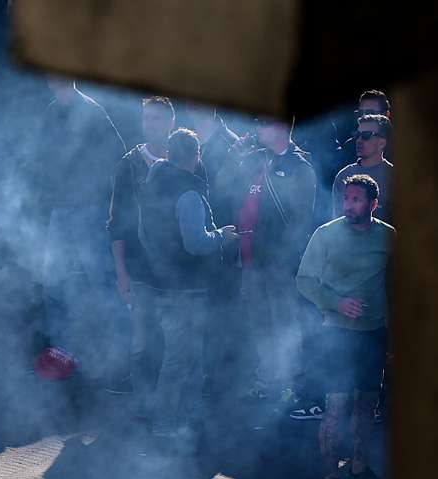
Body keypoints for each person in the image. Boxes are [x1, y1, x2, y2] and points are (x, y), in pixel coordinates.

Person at [296, 174, 395, 479]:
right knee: (336, 406)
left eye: (356, 199)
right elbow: (304, 281)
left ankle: (359, 469)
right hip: (336, 333)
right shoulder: (326, 234)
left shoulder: (387, 236)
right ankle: (331, 476)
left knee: (367, 404)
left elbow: (397, 284)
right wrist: (336, 302)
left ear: (372, 204)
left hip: (373, 333)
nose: (349, 204)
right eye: (346, 199)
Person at [136, 128, 238, 442]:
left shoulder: (152, 184)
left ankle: (184, 421)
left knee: (172, 354)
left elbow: (142, 233)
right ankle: (167, 425)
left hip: (159, 283)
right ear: (197, 156)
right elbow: (195, 243)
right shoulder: (190, 193)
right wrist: (223, 235)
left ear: (168, 154)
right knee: (182, 358)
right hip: (186, 287)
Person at [216, 116, 316, 405]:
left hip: (277, 264)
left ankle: (288, 382)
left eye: (264, 123)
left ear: (283, 127)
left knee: (284, 323)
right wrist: (232, 156)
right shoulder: (253, 158)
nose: (257, 128)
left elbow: (300, 222)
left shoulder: (299, 167)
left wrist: (282, 259)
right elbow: (223, 188)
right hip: (249, 258)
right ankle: (266, 378)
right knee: (258, 321)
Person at [39, 78, 127, 391]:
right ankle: (62, 354)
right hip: (61, 210)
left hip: (89, 210)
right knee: (54, 283)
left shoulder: (92, 111)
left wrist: (98, 194)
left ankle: (119, 360)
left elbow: (118, 157)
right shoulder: (51, 111)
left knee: (100, 282)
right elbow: (45, 157)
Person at [109, 96, 177, 397]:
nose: (150, 125)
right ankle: (144, 408)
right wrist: (121, 272)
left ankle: (168, 408)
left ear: (171, 123)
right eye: (146, 118)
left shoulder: (185, 158)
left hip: (179, 272)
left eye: (157, 119)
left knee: (176, 344)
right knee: (143, 341)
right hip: (141, 270)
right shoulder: (129, 165)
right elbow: (117, 225)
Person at [332, 114, 393, 222]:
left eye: (366, 135)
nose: (359, 140)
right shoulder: (344, 176)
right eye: (358, 135)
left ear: (382, 143)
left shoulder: (395, 177)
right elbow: (337, 221)